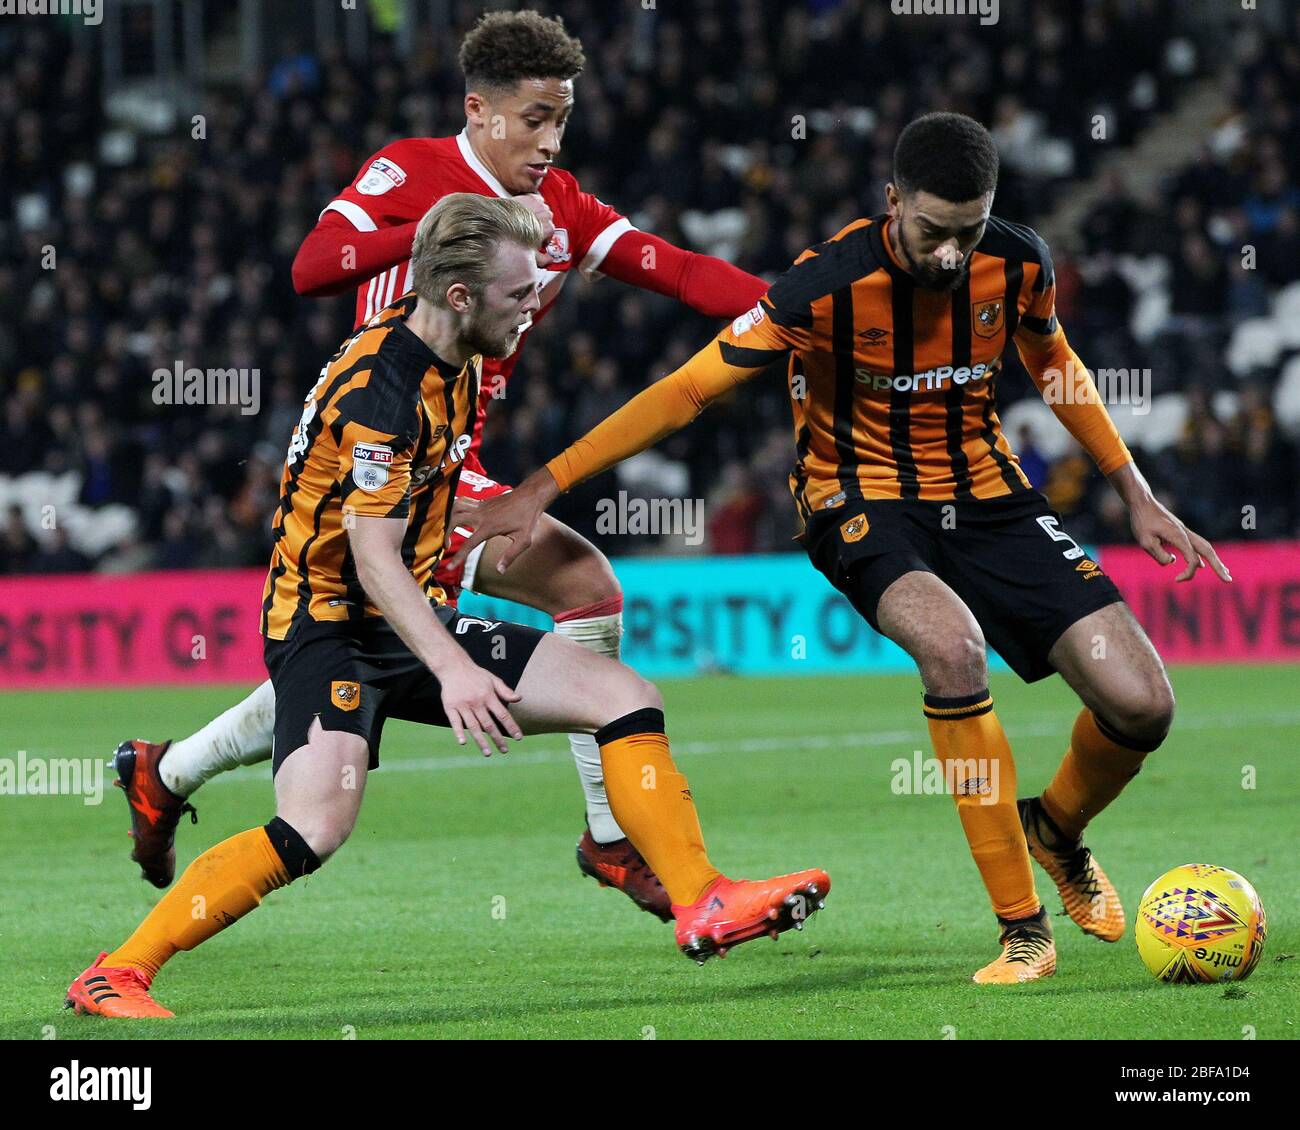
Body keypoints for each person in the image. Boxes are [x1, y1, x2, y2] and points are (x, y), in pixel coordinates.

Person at [450, 114, 1232, 985]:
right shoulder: (821, 286)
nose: (949, 253)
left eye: (968, 230)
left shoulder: (1017, 260)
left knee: (1142, 706)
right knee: (951, 646)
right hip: (857, 501)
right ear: (893, 202)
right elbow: (686, 392)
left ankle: (1053, 830)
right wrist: (545, 483)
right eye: (933, 230)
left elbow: (1054, 363)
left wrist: (1134, 489)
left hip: (988, 495)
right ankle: (1021, 927)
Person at [66, 195, 829, 1018]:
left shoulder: (446, 340)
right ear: (460, 295)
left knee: (626, 696)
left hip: (409, 609)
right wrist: (453, 664)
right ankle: (118, 971)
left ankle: (701, 898)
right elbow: (370, 555)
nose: (534, 304)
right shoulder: (387, 397)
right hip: (333, 628)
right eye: (517, 293)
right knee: (314, 830)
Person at [111, 11, 770, 921]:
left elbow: (687, 273)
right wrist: (447, 227)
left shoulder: (564, 208)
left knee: (371, 657)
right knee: (569, 584)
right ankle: (612, 840)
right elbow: (312, 267)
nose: (551, 141)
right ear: (481, 112)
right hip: (381, 451)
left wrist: (801, 309)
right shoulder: (414, 170)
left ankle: (164, 770)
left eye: (563, 119)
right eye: (535, 118)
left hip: (450, 456)